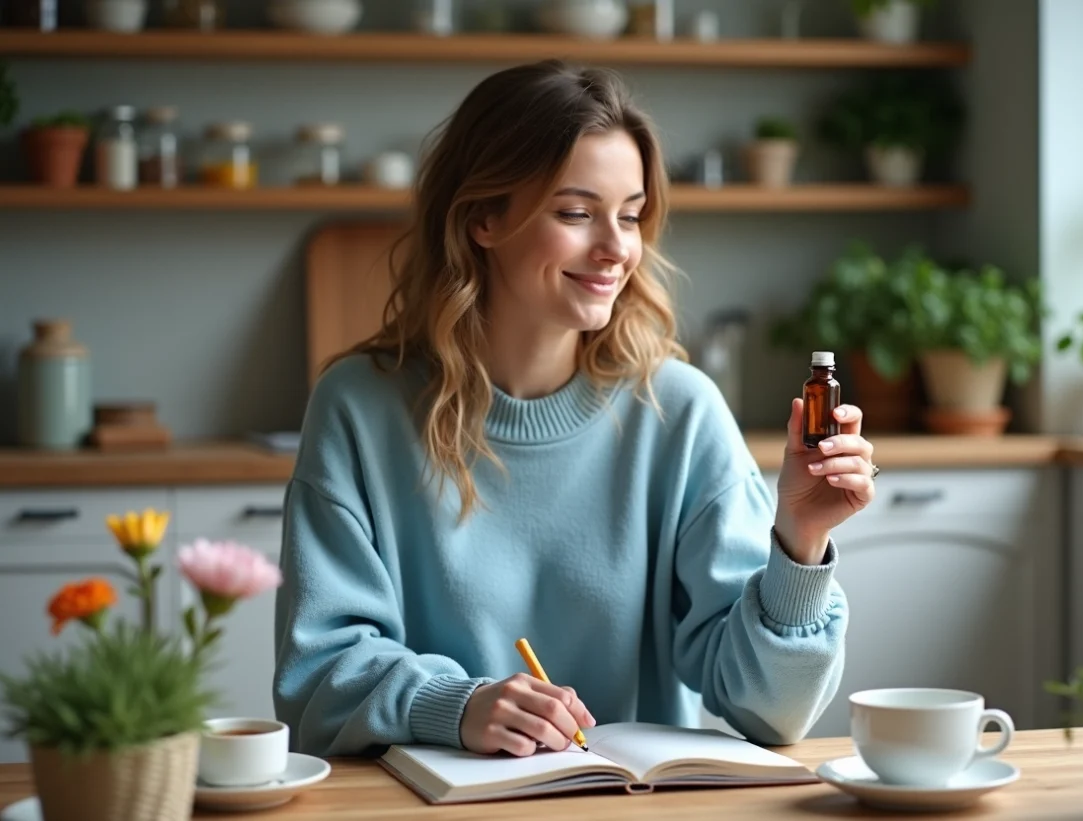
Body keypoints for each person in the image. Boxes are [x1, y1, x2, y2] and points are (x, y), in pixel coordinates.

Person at [273, 59, 877, 759]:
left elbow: (773, 714)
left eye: (629, 215)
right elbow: (314, 679)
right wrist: (457, 704)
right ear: (483, 219)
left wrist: (799, 543)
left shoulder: (680, 413)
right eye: (576, 212)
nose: (617, 248)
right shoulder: (357, 409)